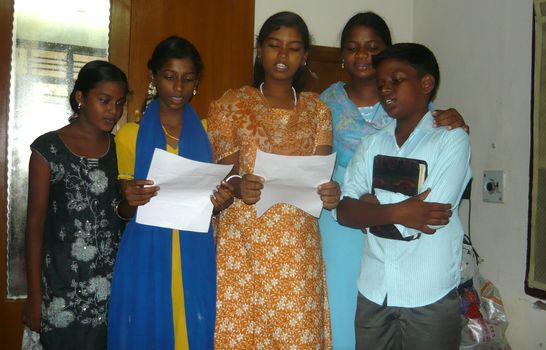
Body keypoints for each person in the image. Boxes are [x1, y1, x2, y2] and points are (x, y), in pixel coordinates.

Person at [318, 12, 469, 348]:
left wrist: (371, 206)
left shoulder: (448, 137)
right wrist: (399, 210)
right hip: (373, 285)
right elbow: (343, 211)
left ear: (425, 84)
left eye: (394, 80)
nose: (386, 88)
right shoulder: (370, 141)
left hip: (426, 287)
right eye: (382, 83)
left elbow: (429, 215)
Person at [207, 11, 339, 349]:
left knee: (297, 335)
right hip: (243, 242)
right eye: (274, 45)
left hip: (296, 246)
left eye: (294, 48)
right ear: (260, 49)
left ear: (305, 56)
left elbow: (320, 173)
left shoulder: (316, 110)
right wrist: (239, 184)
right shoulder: (230, 105)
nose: (283, 55)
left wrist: (330, 191)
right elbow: (225, 172)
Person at [107, 36, 233, 350]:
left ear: (197, 83)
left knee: (191, 329)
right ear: (153, 77)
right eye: (169, 77)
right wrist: (130, 201)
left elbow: (209, 196)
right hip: (145, 251)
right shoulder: (129, 135)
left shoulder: (208, 131)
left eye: (188, 79)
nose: (178, 88)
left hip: (194, 248)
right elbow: (122, 211)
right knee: (148, 330)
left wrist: (219, 203)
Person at [23, 60, 129, 349]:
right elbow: (34, 228)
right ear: (80, 98)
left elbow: (125, 214)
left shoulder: (122, 150)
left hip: (112, 285)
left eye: (119, 103)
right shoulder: (48, 150)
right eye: (104, 100)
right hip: (60, 288)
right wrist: (34, 296)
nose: (113, 111)